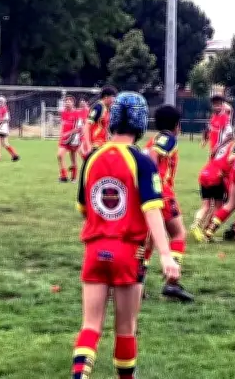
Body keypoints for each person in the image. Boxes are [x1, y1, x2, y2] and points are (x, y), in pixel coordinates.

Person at [70, 92, 180, 379]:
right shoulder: (142, 161)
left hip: (94, 249)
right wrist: (166, 255)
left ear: (114, 120)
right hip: (127, 252)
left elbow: (84, 207)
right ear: (142, 121)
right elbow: (153, 210)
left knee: (90, 326)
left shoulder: (92, 158)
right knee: (125, 328)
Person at [142, 105, 194, 302]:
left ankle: (138, 281)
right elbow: (155, 156)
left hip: (151, 194)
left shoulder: (153, 138)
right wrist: (153, 176)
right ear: (176, 125)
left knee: (150, 239)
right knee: (178, 233)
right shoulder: (167, 138)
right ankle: (172, 282)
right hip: (163, 193)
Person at [191, 138, 235, 238]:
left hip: (205, 173)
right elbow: (231, 159)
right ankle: (207, 230)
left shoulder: (220, 146)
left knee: (205, 206)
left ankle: (196, 225)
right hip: (216, 176)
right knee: (218, 206)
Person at [82, 86, 117, 155]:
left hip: (104, 143)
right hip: (96, 145)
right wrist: (88, 145)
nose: (114, 100)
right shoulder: (97, 108)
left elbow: (104, 126)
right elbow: (86, 126)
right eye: (113, 97)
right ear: (106, 97)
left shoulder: (107, 108)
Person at [57, 96, 85, 182]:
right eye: (66, 101)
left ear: (73, 103)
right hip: (64, 139)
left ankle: (74, 177)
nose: (67, 102)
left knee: (73, 159)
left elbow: (80, 127)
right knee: (60, 155)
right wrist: (62, 133)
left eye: (70, 101)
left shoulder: (77, 113)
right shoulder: (63, 113)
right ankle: (64, 176)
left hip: (74, 139)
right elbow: (63, 124)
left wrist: (72, 133)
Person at [0, 96, 20, 161]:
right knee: (5, 143)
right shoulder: (6, 108)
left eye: (0, 102)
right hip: (5, 128)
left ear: (3, 102)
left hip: (1, 127)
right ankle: (14, 155)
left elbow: (0, 119)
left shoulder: (1, 109)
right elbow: (8, 118)